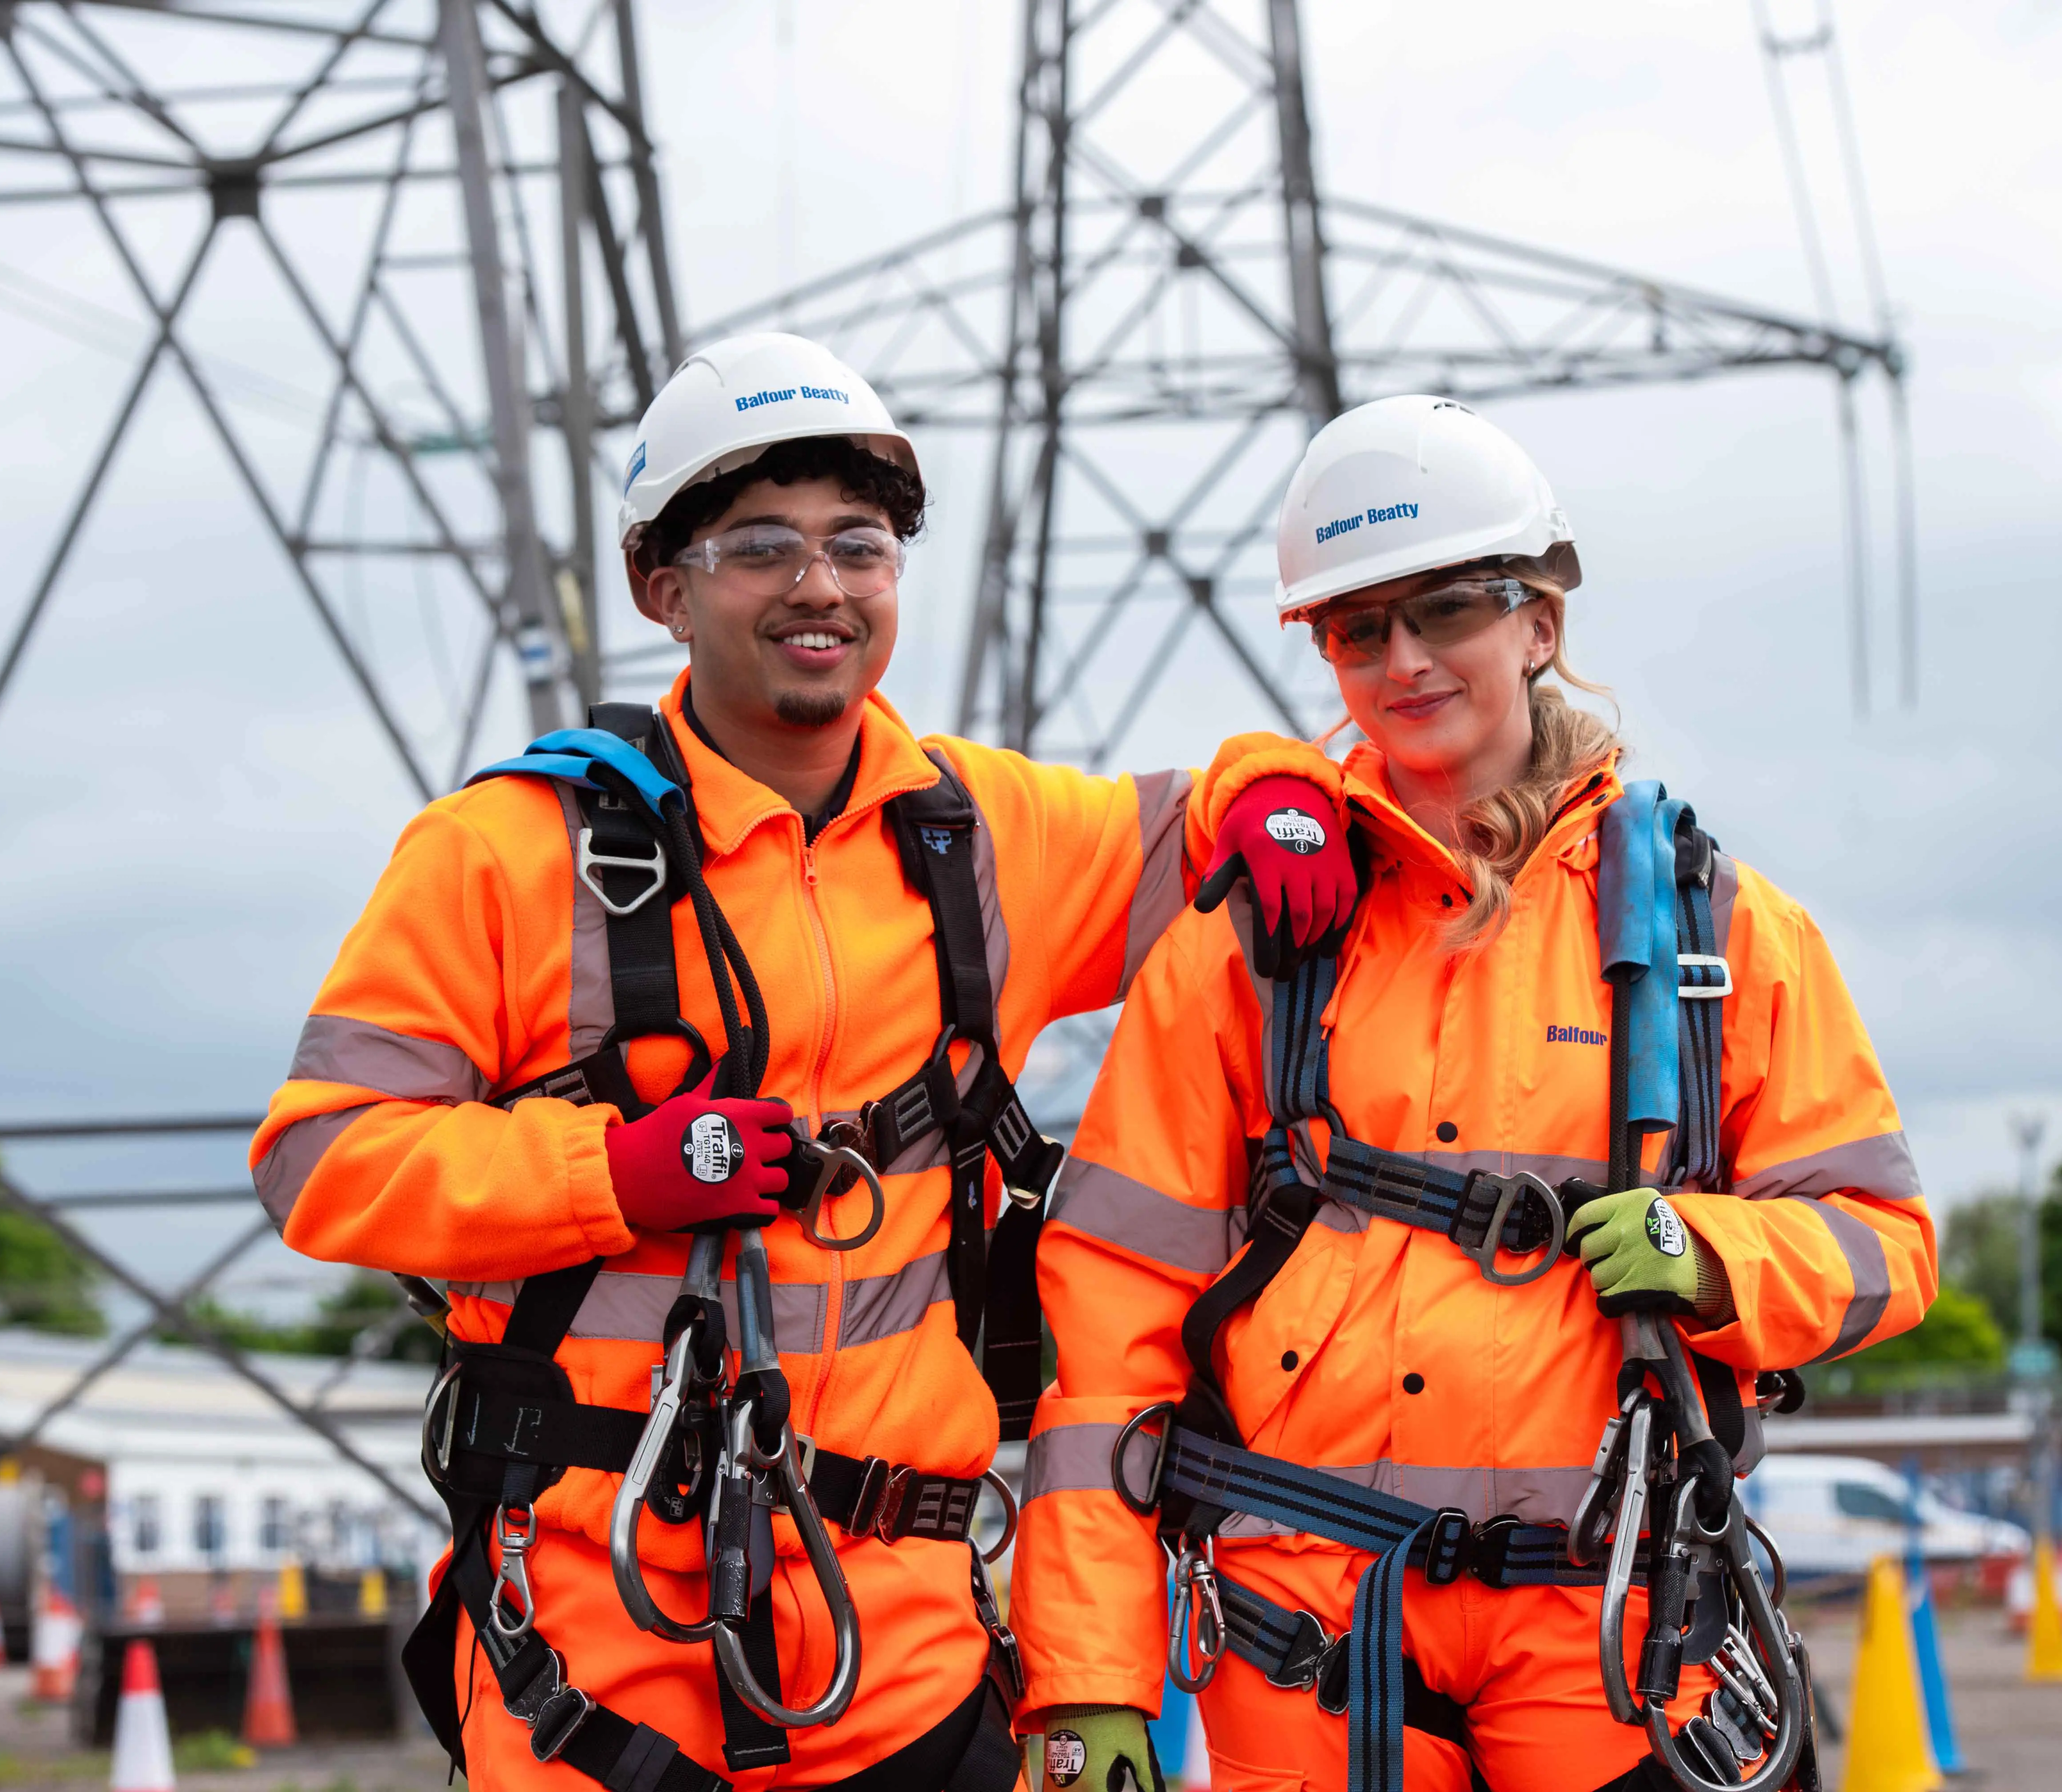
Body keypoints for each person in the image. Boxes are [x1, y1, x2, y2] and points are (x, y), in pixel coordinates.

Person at [251, 332, 1358, 1792]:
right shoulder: (508, 858)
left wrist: (1282, 787)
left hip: (904, 1646)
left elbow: (1205, 817)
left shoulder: (977, 834)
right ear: (667, 586)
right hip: (598, 1646)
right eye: (760, 544)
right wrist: (611, 1173)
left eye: (862, 544)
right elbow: (318, 1161)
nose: (821, 585)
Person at [1008, 395, 1936, 1792]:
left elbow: (1887, 1245)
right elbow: (1109, 1328)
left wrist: (1716, 1255)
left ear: (1540, 620)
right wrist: (1083, 1680)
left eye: (1444, 611)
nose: (1402, 660)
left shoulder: (1718, 934)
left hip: (1611, 1637)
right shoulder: (1248, 942)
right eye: (1355, 630)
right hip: (1303, 1646)